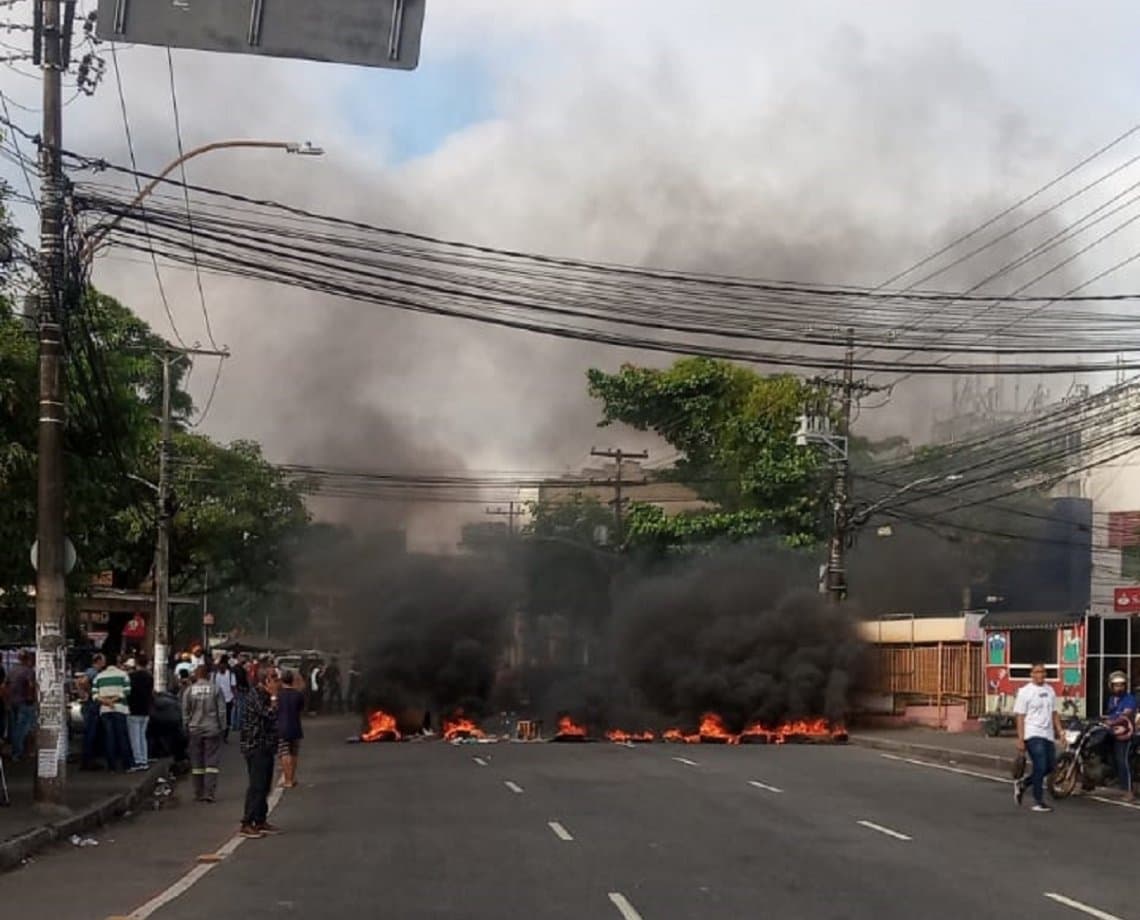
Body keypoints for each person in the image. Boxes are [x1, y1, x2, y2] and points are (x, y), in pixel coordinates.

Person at [1014, 663, 1065, 812]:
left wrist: (1060, 732)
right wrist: (1021, 739)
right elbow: (1020, 717)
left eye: (1043, 672)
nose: (1040, 675)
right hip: (1032, 733)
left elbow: (1054, 713)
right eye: (1037, 672)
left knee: (1050, 766)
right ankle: (1038, 801)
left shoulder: (1050, 690)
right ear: (1031, 674)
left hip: (1047, 734)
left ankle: (1024, 783)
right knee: (1040, 765)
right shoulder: (1025, 692)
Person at [240, 669, 281, 838]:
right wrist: (273, 697)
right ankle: (247, 823)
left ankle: (260, 819)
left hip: (267, 746)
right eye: (274, 680)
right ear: (265, 681)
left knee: (265, 785)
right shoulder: (255, 696)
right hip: (255, 745)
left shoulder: (265, 696)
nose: (277, 684)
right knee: (256, 785)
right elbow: (268, 714)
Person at [182, 665, 225, 802]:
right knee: (211, 762)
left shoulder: (189, 690)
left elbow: (185, 711)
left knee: (196, 763)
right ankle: (209, 793)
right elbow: (222, 711)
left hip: (195, 729)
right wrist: (222, 728)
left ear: (196, 675)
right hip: (212, 728)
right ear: (208, 675)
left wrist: (186, 726)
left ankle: (198, 792)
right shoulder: (215, 689)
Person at [93, 655, 132, 772]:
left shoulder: (99, 677)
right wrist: (114, 700)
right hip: (120, 709)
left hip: (105, 710)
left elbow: (95, 695)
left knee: (109, 737)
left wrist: (106, 701)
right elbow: (127, 692)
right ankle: (126, 765)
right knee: (122, 736)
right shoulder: (123, 675)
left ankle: (111, 766)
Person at [1103, 670, 1137, 802]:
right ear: (1111, 686)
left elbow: (1126, 714)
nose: (1119, 687)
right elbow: (1110, 714)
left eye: (1122, 685)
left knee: (1122, 760)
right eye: (1116, 685)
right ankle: (1088, 782)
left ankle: (1129, 791)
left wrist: (1112, 721)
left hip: (1125, 733)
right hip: (1112, 731)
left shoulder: (1130, 699)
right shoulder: (1112, 699)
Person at [276, 671, 304, 789]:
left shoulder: (279, 695)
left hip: (282, 726)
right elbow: (301, 708)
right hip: (295, 725)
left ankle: (287, 780)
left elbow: (274, 709)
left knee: (284, 752)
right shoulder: (298, 695)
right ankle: (292, 778)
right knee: (294, 753)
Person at [126, 655, 154, 772]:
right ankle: (144, 760)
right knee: (142, 736)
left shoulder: (131, 677)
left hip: (133, 709)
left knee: (135, 737)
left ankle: (138, 761)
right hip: (145, 709)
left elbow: (127, 693)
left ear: (136, 664)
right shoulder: (149, 677)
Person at [6, 651, 36, 761]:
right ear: (28, 660)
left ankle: (16, 752)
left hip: (13, 702)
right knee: (24, 728)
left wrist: (7, 701)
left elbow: (5, 686)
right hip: (24, 702)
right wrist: (31, 698)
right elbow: (31, 685)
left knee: (15, 728)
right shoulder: (29, 671)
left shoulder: (12, 670)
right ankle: (19, 752)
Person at [213, 657, 237, 743]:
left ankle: (225, 736)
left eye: (223, 665)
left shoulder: (231, 674)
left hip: (228, 699)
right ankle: (218, 734)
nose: (221, 667)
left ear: (226, 665)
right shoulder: (215, 674)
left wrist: (235, 698)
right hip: (217, 700)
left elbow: (234, 687)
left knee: (227, 719)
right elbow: (213, 686)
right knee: (217, 718)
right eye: (220, 665)